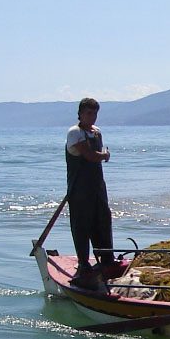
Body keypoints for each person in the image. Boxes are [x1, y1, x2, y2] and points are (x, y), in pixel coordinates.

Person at [66, 97, 114, 279]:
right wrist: (105, 156)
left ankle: (106, 258)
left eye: (95, 113)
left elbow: (97, 155)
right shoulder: (74, 132)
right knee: (82, 224)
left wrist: (102, 155)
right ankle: (83, 263)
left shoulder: (97, 132)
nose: (92, 117)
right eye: (88, 113)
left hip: (97, 186)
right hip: (79, 189)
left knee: (103, 219)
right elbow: (89, 155)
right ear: (80, 114)